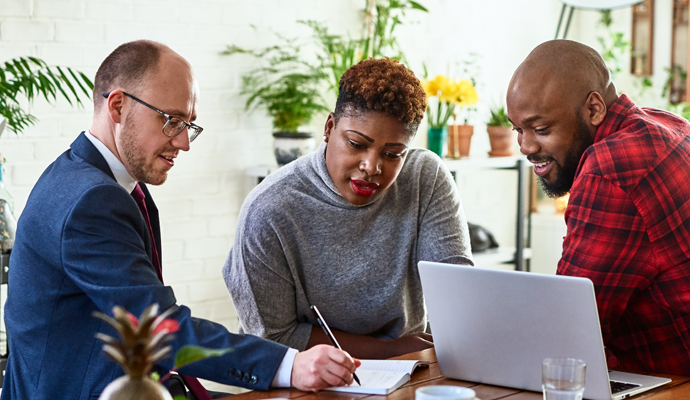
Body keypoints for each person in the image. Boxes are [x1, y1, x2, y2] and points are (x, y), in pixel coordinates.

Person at [2, 40, 359, 400]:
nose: (185, 142)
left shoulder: (81, 176)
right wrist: (290, 365)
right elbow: (158, 326)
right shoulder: (92, 201)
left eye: (189, 124)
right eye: (172, 121)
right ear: (118, 106)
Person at [506, 39, 690, 399]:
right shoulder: (666, 125)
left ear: (594, 108)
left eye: (540, 128)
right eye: (517, 129)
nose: (526, 146)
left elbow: (570, 329)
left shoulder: (612, 168)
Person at [223, 58, 472, 360]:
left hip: (407, 373)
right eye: (356, 144)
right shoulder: (269, 209)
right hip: (303, 382)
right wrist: (390, 349)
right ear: (329, 127)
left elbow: (456, 295)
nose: (372, 167)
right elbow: (272, 338)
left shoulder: (424, 178)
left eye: (393, 154)